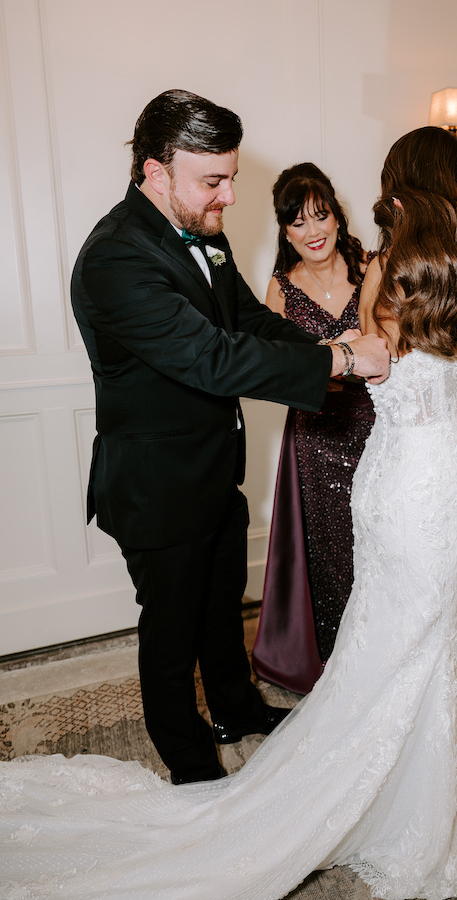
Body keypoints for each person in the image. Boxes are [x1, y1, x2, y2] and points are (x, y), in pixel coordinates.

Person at [0, 129, 457, 900]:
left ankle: (371, 764)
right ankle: (290, 776)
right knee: (401, 635)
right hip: (416, 490)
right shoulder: (432, 273)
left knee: (400, 636)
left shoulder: (401, 273)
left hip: (403, 481)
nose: (229, 196)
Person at [67, 90, 390, 787]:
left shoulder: (205, 235)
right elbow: (213, 357)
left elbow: (249, 321)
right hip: (157, 484)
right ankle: (190, 767)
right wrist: (339, 360)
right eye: (213, 180)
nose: (230, 197)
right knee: (172, 630)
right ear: (156, 172)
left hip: (214, 469)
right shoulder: (115, 258)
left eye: (232, 177)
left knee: (221, 607)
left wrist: (329, 342)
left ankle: (236, 708)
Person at [252, 163, 376, 695]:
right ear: (285, 232)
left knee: (379, 542)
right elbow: (272, 372)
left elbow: (408, 337)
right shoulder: (281, 290)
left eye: (319, 216)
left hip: (378, 429)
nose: (312, 231)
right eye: (297, 223)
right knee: (328, 554)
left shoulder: (372, 268)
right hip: (316, 440)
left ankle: (381, 653)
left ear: (336, 216)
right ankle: (334, 665)